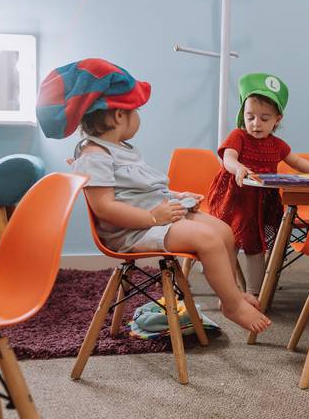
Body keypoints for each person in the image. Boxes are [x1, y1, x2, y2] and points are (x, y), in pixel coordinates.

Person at [36, 58, 271, 334]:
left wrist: (177, 196)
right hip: (132, 230)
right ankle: (233, 305)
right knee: (208, 240)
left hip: (156, 217)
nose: (138, 116)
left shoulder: (121, 149)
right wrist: (152, 217)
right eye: (135, 110)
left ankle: (228, 293)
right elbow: (105, 208)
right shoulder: (94, 155)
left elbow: (142, 189)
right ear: (118, 115)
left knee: (224, 231)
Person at [207, 73, 309, 296]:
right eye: (250, 117)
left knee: (256, 246)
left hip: (262, 201)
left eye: (264, 118)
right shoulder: (238, 136)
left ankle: (255, 293)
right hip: (236, 197)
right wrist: (238, 168)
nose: (256, 123)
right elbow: (228, 158)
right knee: (228, 242)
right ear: (243, 115)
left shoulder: (277, 144)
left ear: (277, 119)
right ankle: (228, 290)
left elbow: (295, 161)